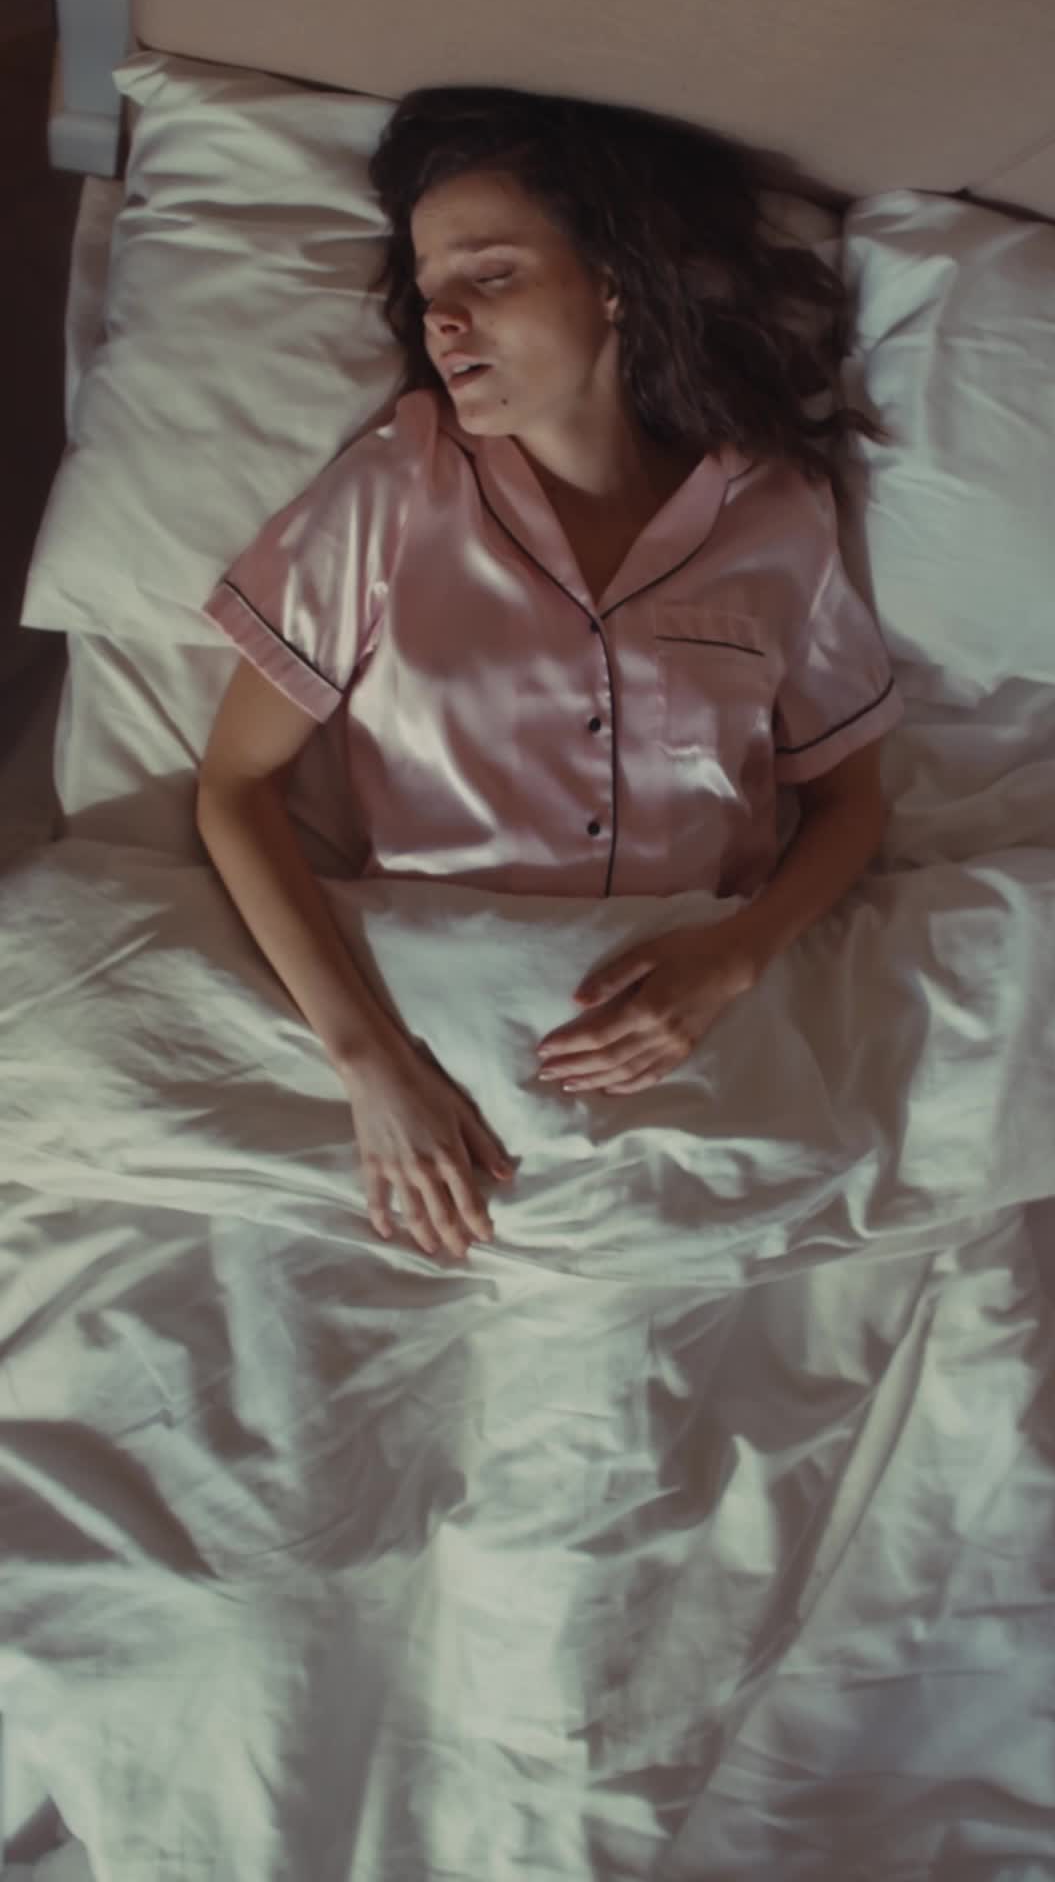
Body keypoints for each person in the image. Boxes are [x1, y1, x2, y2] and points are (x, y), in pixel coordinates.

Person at [196, 85, 903, 1268]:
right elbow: (234, 787)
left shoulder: (775, 512)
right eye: (429, 290)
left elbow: (851, 802)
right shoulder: (396, 488)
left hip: (697, 1049)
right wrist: (372, 1069)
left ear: (614, 279)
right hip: (434, 1047)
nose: (444, 320)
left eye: (491, 274)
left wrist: (736, 956)